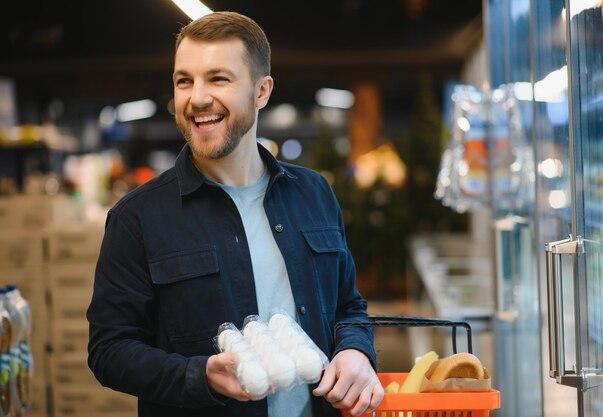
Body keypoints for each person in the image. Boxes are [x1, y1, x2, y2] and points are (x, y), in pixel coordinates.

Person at [87, 11, 384, 417]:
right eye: (184, 81)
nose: (197, 98)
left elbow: (349, 306)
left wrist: (355, 351)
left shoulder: (313, 193)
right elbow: (109, 351)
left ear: (262, 92)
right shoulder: (136, 218)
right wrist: (199, 375)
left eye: (219, 79)